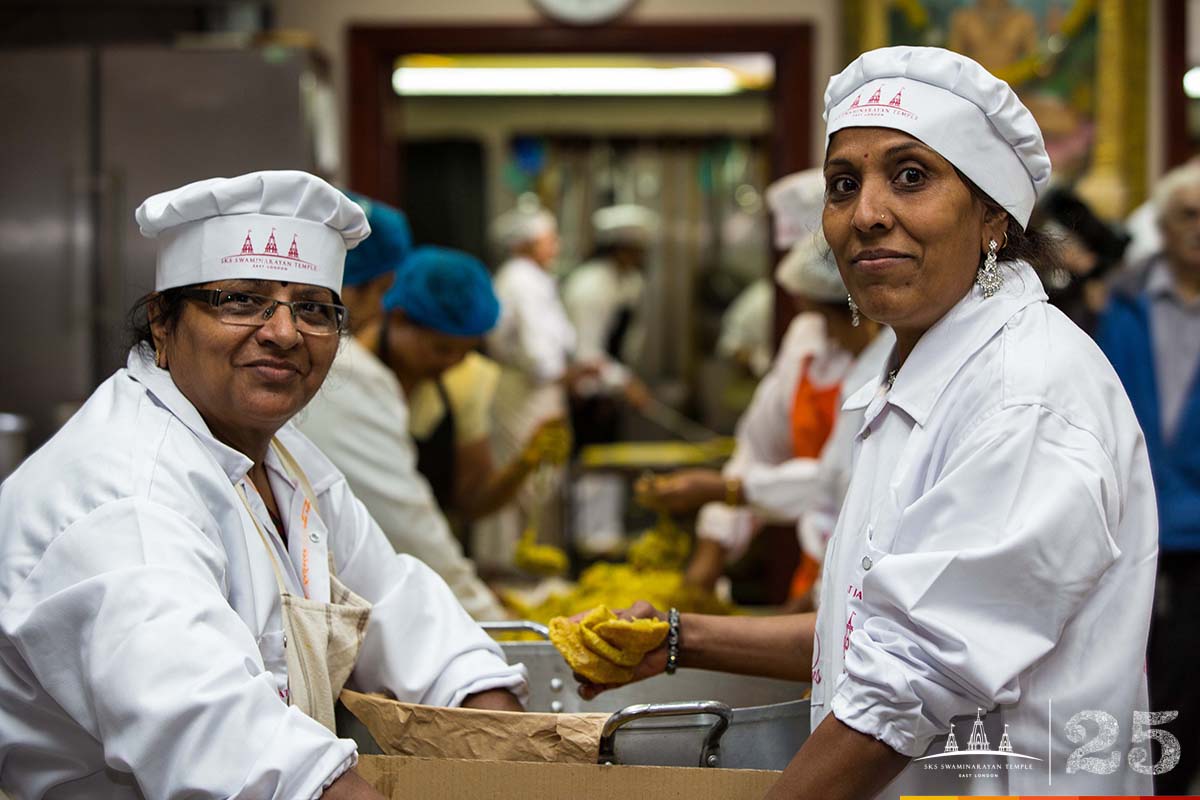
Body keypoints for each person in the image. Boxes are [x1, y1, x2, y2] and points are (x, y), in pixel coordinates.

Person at [568, 47, 1157, 798]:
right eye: (843, 184)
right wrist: (682, 638)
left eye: (911, 176)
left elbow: (908, 682)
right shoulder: (918, 379)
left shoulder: (1023, 398)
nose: (867, 213)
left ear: (993, 217)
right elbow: (872, 631)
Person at [0, 171, 527, 800]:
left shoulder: (281, 457)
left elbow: (396, 602)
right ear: (164, 322)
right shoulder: (127, 497)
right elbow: (221, 738)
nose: (283, 332)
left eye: (312, 308)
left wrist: (499, 731)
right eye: (241, 300)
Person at [637, 227, 885, 600]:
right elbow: (759, 447)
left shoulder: (893, 361)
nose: (823, 334)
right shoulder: (808, 338)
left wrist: (724, 490)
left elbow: (837, 482)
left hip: (872, 579)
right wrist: (707, 563)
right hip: (818, 568)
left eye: (828, 320)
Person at [296, 194, 508, 620]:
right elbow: (409, 526)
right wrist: (495, 623)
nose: (450, 363)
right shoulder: (349, 372)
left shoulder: (345, 368)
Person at [1096, 161, 1200, 794]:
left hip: (1199, 537)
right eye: (1187, 215)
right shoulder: (1121, 301)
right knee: (1125, 676)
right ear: (1161, 224)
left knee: (1190, 685)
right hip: (1130, 520)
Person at [482, 204, 580, 569]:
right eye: (549, 239)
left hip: (539, 391)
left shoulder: (533, 278)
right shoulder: (521, 279)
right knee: (529, 482)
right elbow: (539, 355)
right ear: (526, 243)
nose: (555, 246)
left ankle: (534, 561)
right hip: (526, 393)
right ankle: (522, 567)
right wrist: (569, 375)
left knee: (539, 482)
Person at [561, 204, 658, 554]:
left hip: (609, 390)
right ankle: (591, 542)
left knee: (610, 464)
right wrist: (624, 382)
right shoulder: (589, 286)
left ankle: (607, 536)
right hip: (587, 394)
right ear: (619, 248)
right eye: (636, 249)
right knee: (592, 467)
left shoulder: (628, 282)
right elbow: (585, 352)